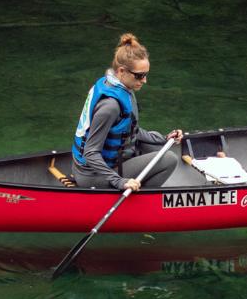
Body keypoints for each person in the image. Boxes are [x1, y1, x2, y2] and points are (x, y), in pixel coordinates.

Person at [71, 33, 184, 191]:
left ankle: (135, 188)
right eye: (139, 76)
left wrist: (164, 139)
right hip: (92, 175)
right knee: (169, 159)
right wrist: (119, 181)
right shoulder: (110, 107)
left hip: (110, 163)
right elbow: (90, 153)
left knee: (157, 146)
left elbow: (130, 131)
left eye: (146, 75)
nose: (144, 81)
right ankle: (139, 202)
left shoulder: (120, 87)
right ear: (122, 71)